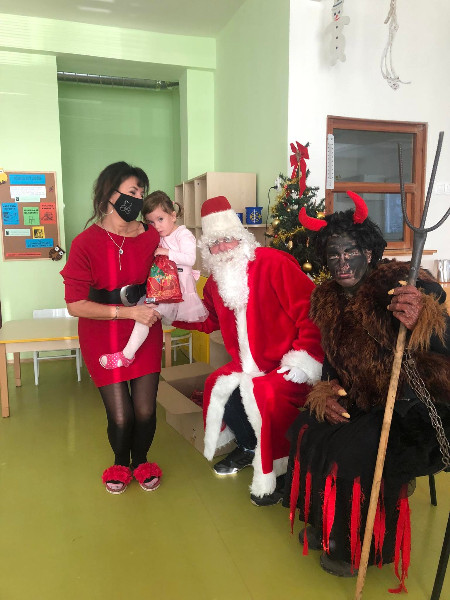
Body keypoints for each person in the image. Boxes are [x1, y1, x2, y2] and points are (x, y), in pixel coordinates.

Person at [284, 192, 450, 592]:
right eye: (334, 254)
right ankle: (325, 522)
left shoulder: (397, 282)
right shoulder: (327, 299)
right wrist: (326, 392)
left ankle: (358, 545)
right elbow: (332, 363)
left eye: (351, 251)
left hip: (415, 401)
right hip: (362, 399)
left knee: (355, 449)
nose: (342, 261)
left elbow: (439, 324)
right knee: (307, 429)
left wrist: (421, 316)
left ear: (369, 253)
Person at [172, 196, 324, 506]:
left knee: (266, 392)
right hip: (247, 362)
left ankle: (280, 469)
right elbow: (209, 320)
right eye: (215, 244)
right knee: (218, 384)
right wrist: (171, 314)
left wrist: (303, 359)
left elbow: (312, 312)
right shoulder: (215, 283)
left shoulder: (273, 263)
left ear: (241, 237)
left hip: (287, 361)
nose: (223, 248)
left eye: (227, 239)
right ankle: (249, 445)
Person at [60, 162, 163, 495]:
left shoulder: (151, 236)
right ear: (109, 193)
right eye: (132, 192)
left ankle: (141, 461)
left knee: (145, 410)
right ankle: (120, 462)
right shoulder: (85, 242)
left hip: (143, 329)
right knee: (121, 415)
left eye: (142, 193)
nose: (138, 199)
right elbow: (75, 304)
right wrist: (127, 312)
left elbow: (168, 270)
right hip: (102, 331)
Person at [99, 190, 207, 369]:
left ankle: (126, 355)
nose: (156, 226)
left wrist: (167, 252)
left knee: (145, 314)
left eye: (160, 219)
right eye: (151, 222)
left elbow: (190, 259)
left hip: (178, 290)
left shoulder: (183, 234)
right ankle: (126, 353)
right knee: (142, 313)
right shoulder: (159, 236)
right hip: (162, 287)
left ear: (173, 216)